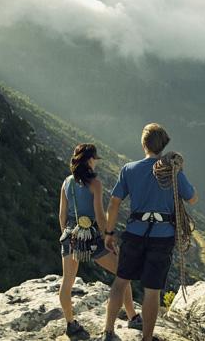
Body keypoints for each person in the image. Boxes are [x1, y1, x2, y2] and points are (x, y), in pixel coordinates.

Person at [101, 123, 198, 341]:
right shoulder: (172, 172)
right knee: (152, 290)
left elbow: (114, 203)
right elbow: (192, 198)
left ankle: (108, 331)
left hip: (135, 233)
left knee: (121, 281)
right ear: (164, 145)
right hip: (162, 237)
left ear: (143, 144)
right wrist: (179, 173)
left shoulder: (129, 169)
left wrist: (109, 232)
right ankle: (146, 338)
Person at [58, 143, 142, 340]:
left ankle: (70, 324)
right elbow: (100, 215)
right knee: (123, 272)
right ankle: (132, 317)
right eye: (95, 159)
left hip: (71, 236)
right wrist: (107, 237)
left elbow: (62, 215)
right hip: (93, 238)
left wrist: (68, 236)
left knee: (67, 282)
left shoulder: (66, 182)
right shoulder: (95, 183)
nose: (96, 163)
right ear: (90, 160)